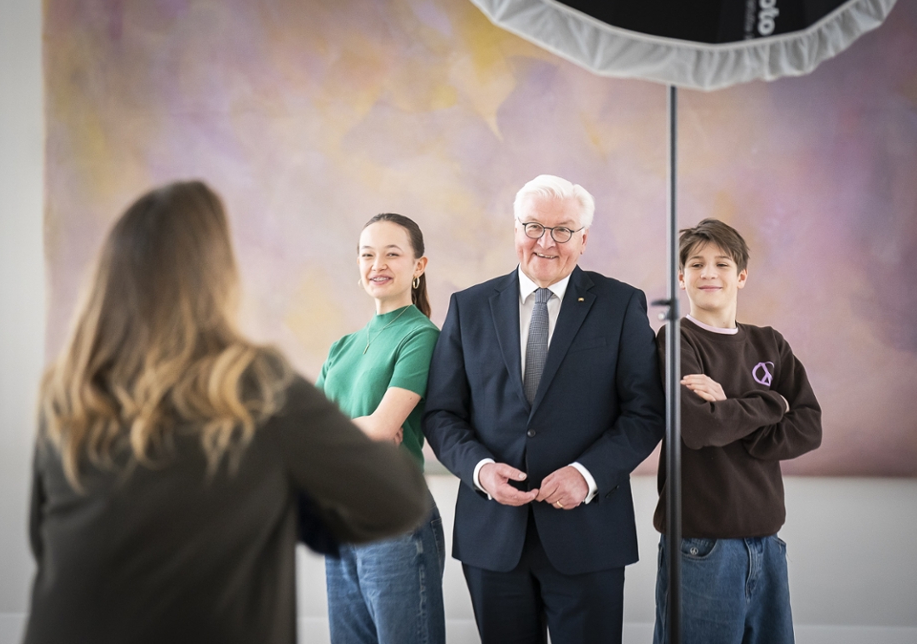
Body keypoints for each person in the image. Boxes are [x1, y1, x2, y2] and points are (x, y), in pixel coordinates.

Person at [23, 181, 430, 644]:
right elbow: (397, 499)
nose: (377, 264)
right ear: (216, 278)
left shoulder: (68, 395)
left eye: (391, 254)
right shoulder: (257, 387)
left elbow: (43, 540)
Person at [423, 174, 665, 643]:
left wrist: (587, 475)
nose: (546, 242)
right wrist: (480, 470)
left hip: (588, 533)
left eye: (563, 230)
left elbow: (645, 413)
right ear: (515, 229)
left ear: (584, 239)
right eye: (533, 226)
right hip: (492, 535)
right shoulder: (468, 307)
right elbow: (442, 413)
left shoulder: (620, 304)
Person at [652, 218, 822, 644]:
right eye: (696, 264)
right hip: (701, 546)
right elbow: (698, 428)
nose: (709, 272)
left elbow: (808, 426)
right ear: (681, 276)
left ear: (741, 276)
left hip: (767, 542)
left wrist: (728, 407)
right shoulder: (675, 340)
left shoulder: (770, 344)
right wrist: (770, 404)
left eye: (722, 263)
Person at [317, 213, 445, 644]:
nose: (378, 264)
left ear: (418, 266)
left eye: (393, 253)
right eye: (368, 254)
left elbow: (385, 425)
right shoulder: (343, 346)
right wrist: (360, 432)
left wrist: (345, 433)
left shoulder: (421, 336)